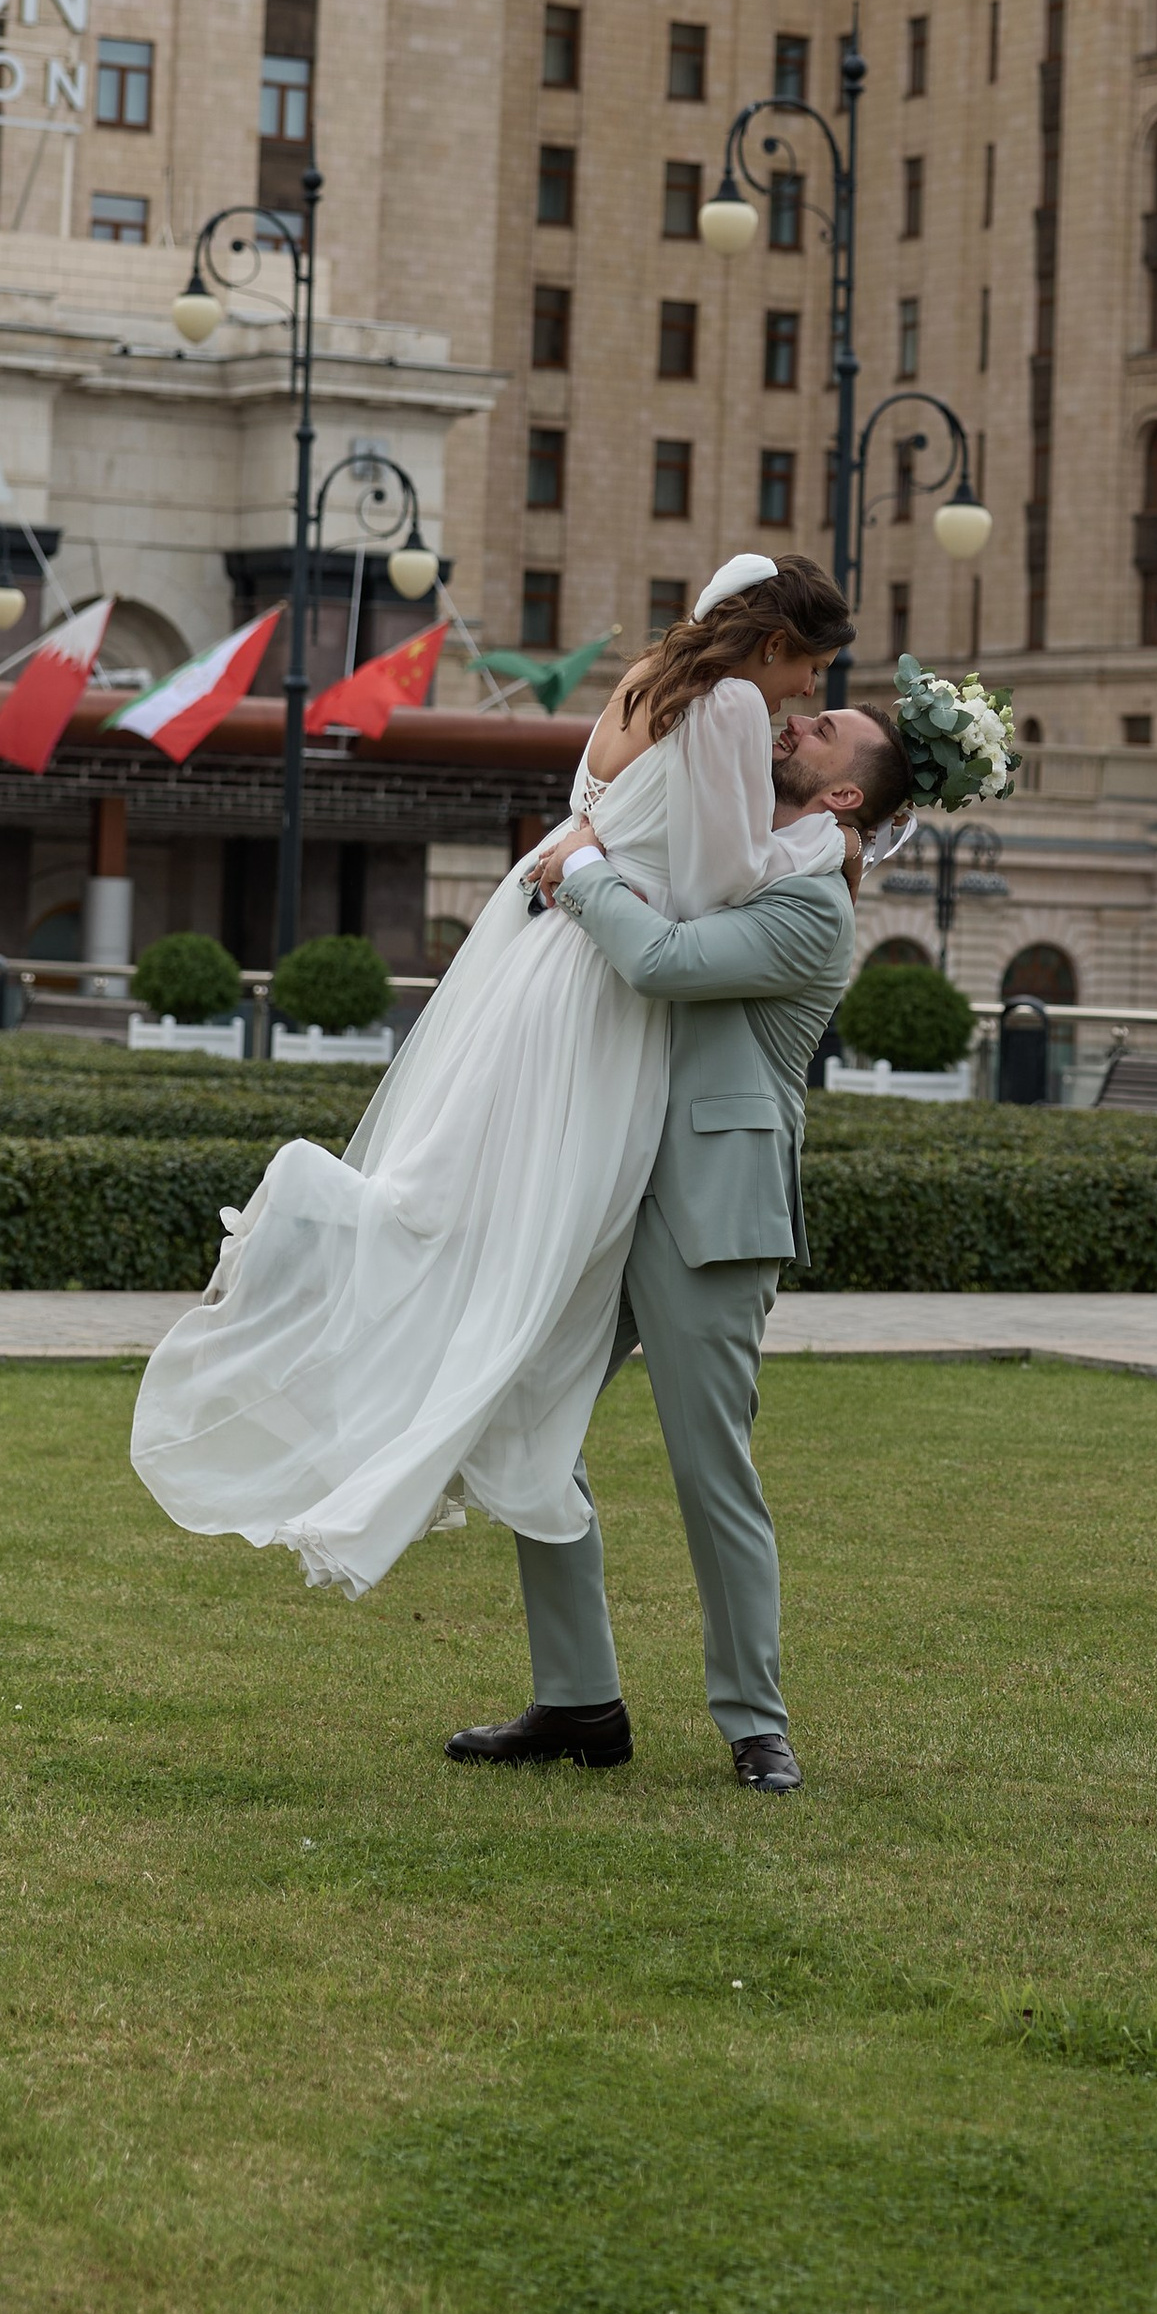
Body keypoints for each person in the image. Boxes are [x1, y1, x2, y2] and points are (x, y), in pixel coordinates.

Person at [129, 553, 864, 1602]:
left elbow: (613, 820)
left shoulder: (647, 675)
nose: (808, 697)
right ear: (777, 645)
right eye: (814, 671)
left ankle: (352, 1250)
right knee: (542, 1243)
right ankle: (382, 1308)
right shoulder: (737, 703)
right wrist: (824, 851)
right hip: (603, 984)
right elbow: (716, 884)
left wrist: (617, 862)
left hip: (538, 956)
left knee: (488, 1208)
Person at [444, 690, 909, 1794]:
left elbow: (658, 959)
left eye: (826, 730)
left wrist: (585, 868)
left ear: (845, 794)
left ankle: (757, 1726)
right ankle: (578, 1703)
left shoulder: (810, 907)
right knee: (527, 1424)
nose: (796, 724)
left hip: (711, 1213)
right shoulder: (732, 845)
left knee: (714, 1476)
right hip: (594, 1184)